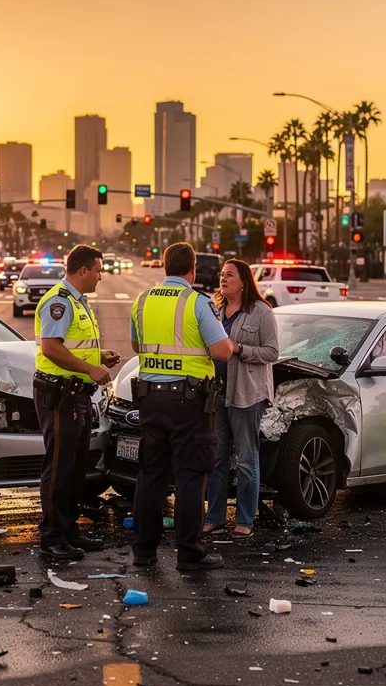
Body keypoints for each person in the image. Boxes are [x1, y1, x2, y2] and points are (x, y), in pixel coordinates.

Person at [129, 242, 235, 571]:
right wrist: (229, 342)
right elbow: (221, 352)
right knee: (190, 476)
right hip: (189, 402)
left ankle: (144, 552)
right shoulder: (198, 302)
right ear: (192, 269)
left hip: (150, 398)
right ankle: (189, 552)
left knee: (151, 474)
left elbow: (136, 344)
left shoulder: (142, 300)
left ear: (164, 267)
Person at [33, 244, 123, 560]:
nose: (101, 276)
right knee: (58, 467)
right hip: (60, 394)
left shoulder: (77, 301)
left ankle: (69, 531)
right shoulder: (59, 302)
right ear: (83, 270)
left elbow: (73, 346)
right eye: (98, 270)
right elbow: (50, 348)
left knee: (74, 467)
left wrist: (99, 357)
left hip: (77, 395)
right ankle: (52, 536)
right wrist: (90, 369)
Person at [204, 259, 279, 540]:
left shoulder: (261, 311)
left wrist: (239, 348)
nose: (223, 279)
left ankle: (245, 520)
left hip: (247, 395)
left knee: (247, 459)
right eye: (222, 275)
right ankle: (215, 517)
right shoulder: (215, 311)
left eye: (230, 275)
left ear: (244, 281)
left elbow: (272, 352)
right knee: (217, 458)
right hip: (218, 393)